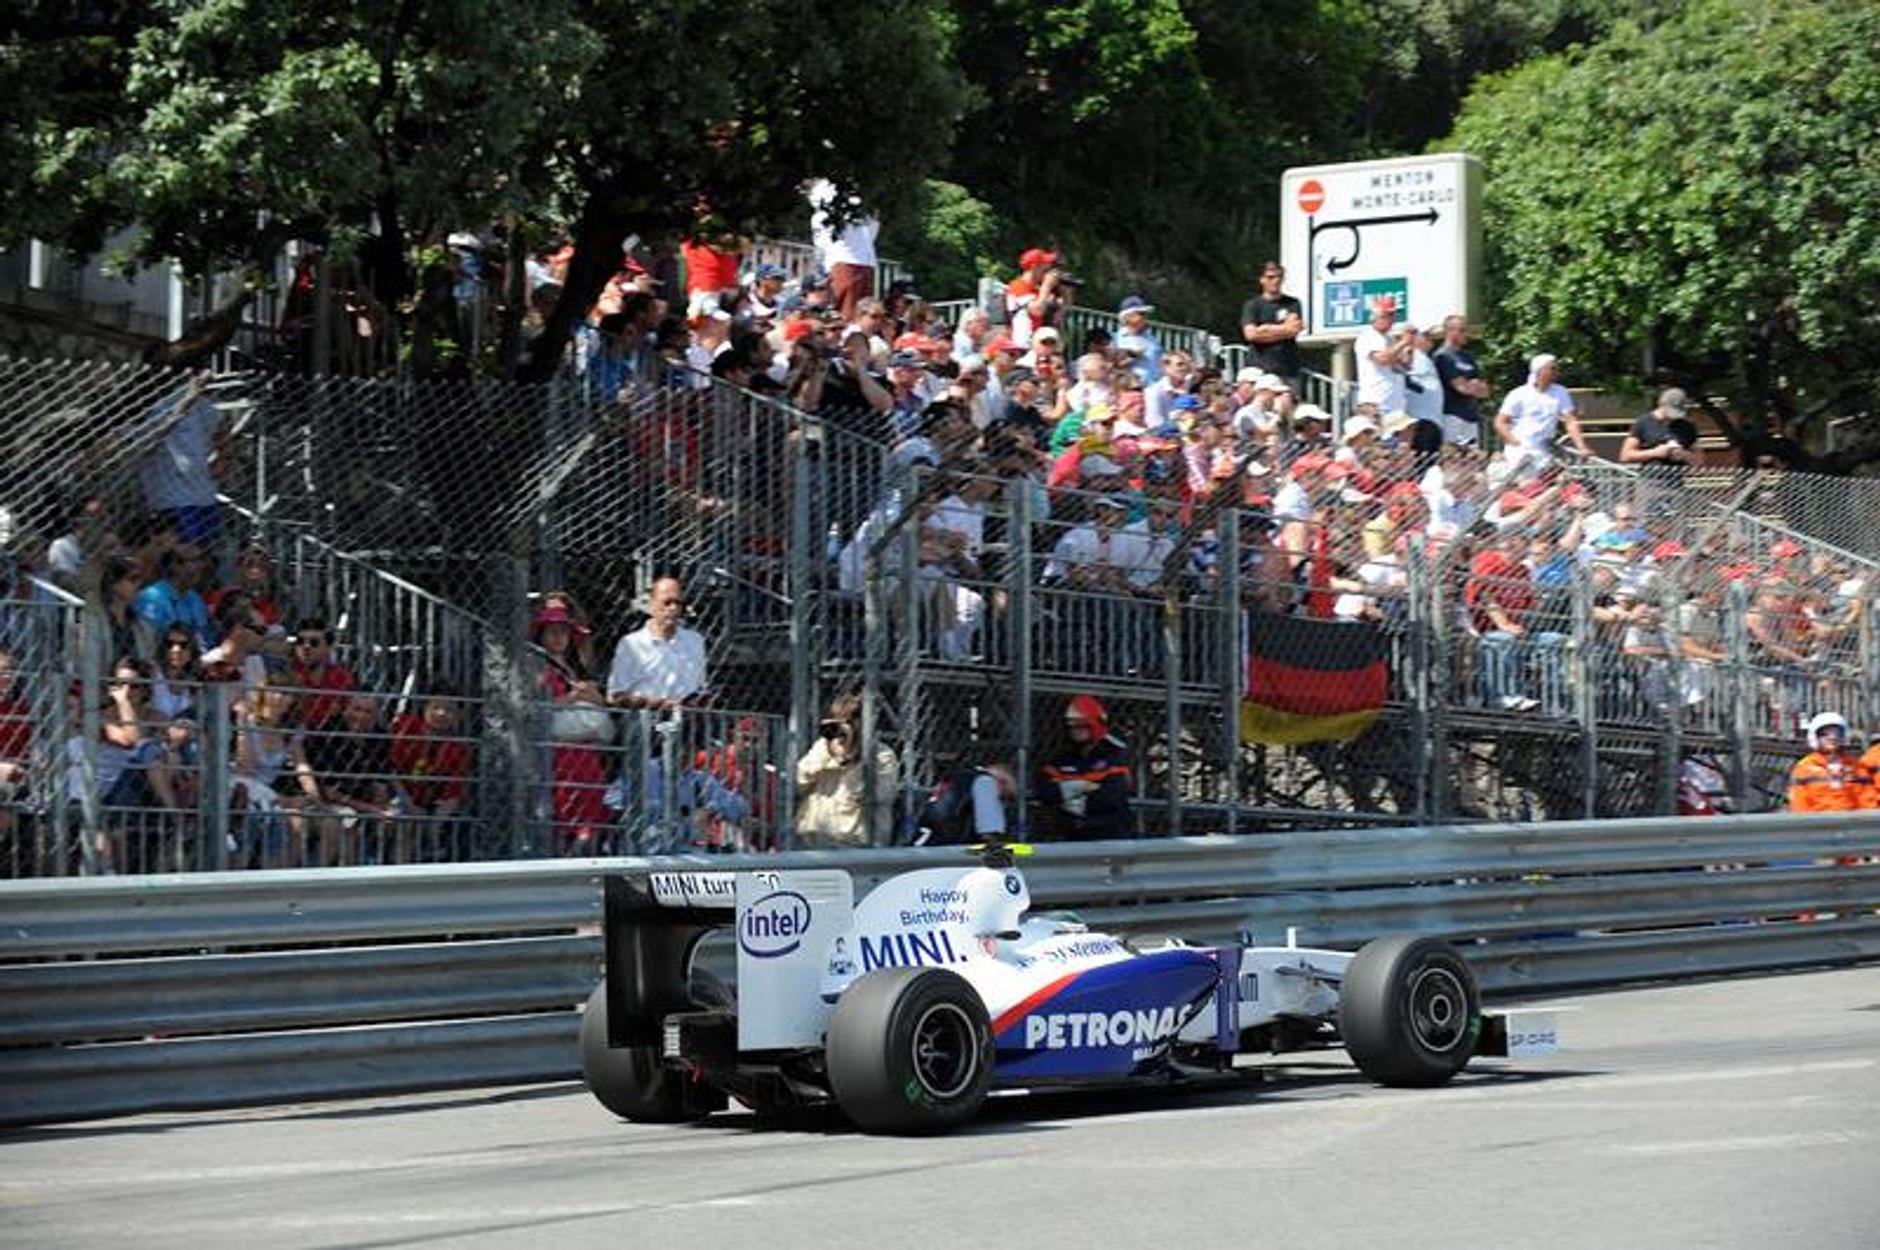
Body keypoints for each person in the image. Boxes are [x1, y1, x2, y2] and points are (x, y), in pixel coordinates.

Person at [535, 602, 613, 854]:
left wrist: (589, 696)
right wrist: (573, 698)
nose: (559, 637)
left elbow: (600, 702)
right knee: (563, 808)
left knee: (591, 805)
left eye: (564, 632)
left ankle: (584, 856)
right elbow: (537, 707)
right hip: (560, 752)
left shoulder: (571, 669)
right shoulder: (537, 666)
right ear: (542, 636)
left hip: (584, 751)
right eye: (552, 631)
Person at [793, 691, 898, 848]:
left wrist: (850, 758)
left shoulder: (882, 755)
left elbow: (877, 795)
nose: (837, 732)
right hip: (812, 837)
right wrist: (828, 756)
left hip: (855, 841)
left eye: (842, 724)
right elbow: (798, 781)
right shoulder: (823, 747)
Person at [1037, 694, 1133, 840]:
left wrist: (1071, 799)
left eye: (1081, 725)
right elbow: (1045, 791)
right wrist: (1079, 787)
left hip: (1109, 834)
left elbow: (1112, 797)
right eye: (1071, 726)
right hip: (1069, 832)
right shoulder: (1062, 758)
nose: (1075, 730)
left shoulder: (1113, 755)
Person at [607, 576, 708, 711]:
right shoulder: (631, 644)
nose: (673, 608)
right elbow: (615, 696)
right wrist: (658, 704)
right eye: (667, 602)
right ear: (651, 605)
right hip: (646, 718)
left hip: (690, 718)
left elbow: (700, 686)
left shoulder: (695, 641)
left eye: (678, 603)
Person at [1495, 352, 1591, 467]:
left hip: (1545, 449)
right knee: (1527, 483)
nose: (1557, 372)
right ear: (1540, 371)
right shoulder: (1519, 394)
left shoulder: (1561, 392)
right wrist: (1515, 443)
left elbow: (1570, 421)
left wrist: (1582, 447)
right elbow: (1500, 421)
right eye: (1552, 368)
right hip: (1521, 450)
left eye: (1557, 368)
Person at [1786, 713, 1873, 813]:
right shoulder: (1804, 768)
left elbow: (1868, 801)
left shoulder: (1857, 767)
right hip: (1818, 825)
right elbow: (1799, 805)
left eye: (1838, 733)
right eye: (1824, 734)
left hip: (1852, 825)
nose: (1832, 737)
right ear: (1815, 737)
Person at [914, 763, 1017, 846]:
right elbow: (989, 829)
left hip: (925, 840)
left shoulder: (961, 777)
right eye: (1002, 797)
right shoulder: (985, 781)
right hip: (949, 849)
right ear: (1003, 782)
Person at [1239, 261, 1304, 391]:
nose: (1275, 281)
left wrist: (1264, 329)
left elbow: (1293, 329)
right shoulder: (1253, 305)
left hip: (1287, 369)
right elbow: (1251, 334)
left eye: (1279, 277)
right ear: (1262, 280)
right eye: (1270, 277)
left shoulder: (1292, 303)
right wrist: (1282, 329)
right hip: (1259, 369)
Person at [1431, 315, 1490, 447]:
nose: (1466, 334)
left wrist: (1472, 386)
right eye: (1463, 330)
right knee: (1454, 458)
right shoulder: (1442, 356)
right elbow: (1461, 388)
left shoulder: (1468, 356)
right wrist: (1472, 385)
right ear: (1450, 331)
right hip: (1451, 415)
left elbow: (1485, 391)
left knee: (1473, 459)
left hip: (1471, 416)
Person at [1620, 387, 1699, 469]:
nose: (1672, 416)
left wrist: (1683, 454)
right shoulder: (1643, 422)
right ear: (1661, 404)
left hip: (1676, 479)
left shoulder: (1686, 425)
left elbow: (1698, 460)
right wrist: (1654, 453)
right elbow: (1625, 456)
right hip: (1651, 479)